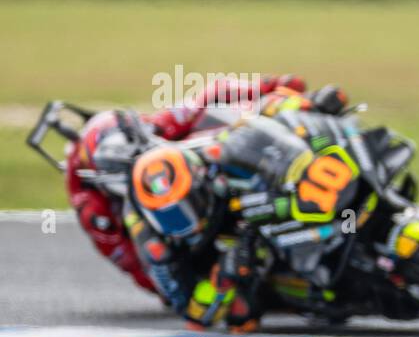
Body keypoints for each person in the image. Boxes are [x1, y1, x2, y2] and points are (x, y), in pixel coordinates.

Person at [64, 74, 333, 294]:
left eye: (139, 149)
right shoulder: (96, 211)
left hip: (202, 174)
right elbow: (139, 268)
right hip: (188, 239)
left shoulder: (153, 128)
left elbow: (211, 94)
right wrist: (175, 278)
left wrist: (270, 87)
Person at [120, 84, 355, 330]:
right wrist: (222, 279)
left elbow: (259, 114)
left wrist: (306, 103)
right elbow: (191, 312)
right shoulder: (154, 246)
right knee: (242, 314)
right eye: (171, 217)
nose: (185, 222)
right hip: (230, 260)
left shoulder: (210, 152)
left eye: (186, 208)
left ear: (199, 181)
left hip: (278, 204)